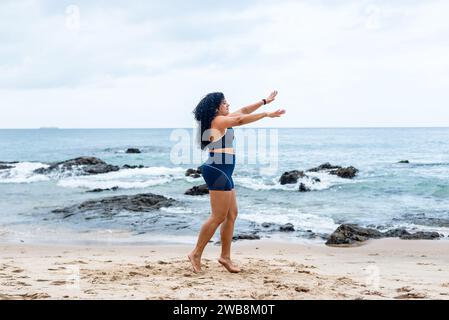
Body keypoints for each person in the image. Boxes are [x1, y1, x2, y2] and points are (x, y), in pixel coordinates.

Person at [188, 90, 285, 273]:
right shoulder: (217, 121)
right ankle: (196, 253)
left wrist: (264, 101)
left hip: (223, 171)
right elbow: (239, 120)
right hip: (217, 170)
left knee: (231, 215)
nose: (228, 105)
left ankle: (225, 257)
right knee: (217, 216)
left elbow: (244, 110)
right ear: (216, 108)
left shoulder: (222, 119)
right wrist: (266, 115)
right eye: (225, 103)